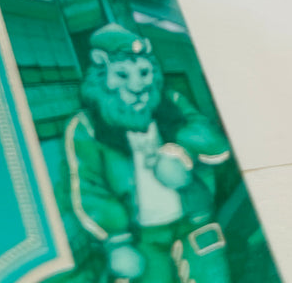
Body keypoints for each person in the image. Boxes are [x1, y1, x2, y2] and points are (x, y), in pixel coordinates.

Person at [60, 24, 233, 283]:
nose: (137, 85)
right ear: (101, 73)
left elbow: (215, 143)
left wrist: (182, 153)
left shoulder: (170, 101)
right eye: (122, 74)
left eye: (144, 72)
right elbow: (89, 188)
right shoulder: (85, 127)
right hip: (142, 237)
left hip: (195, 221)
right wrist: (116, 241)